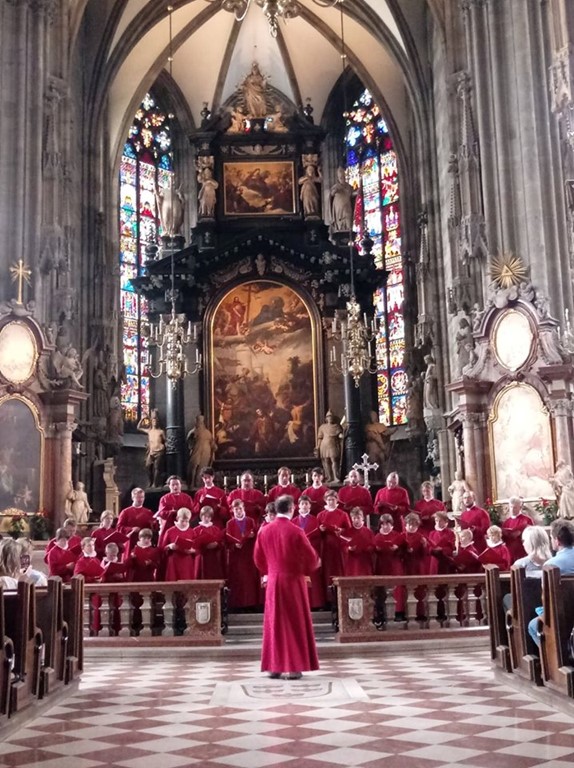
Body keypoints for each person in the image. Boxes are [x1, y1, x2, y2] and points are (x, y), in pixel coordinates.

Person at [254, 494, 320, 680]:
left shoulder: (264, 531)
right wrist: (314, 563)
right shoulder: (296, 531)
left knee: (274, 623)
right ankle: (293, 668)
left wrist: (270, 570)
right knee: (294, 622)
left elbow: (258, 559)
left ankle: (273, 667)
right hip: (293, 581)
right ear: (291, 509)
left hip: (273, 581)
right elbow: (311, 558)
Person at [528, 520, 574, 646]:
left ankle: (556, 655)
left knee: (533, 625)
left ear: (557, 541)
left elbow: (546, 597)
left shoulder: (551, 565)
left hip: (563, 617)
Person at [225, 499, 259, 609]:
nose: (238, 511)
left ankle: (251, 604)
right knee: (238, 579)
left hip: (248, 553)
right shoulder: (230, 523)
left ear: (243, 509)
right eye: (236, 509)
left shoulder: (250, 521)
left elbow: (256, 536)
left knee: (249, 580)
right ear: (232, 511)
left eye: (240, 509)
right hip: (237, 555)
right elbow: (227, 540)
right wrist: (234, 545)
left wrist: (252, 536)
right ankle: (237, 605)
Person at [292, 495, 325, 608]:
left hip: (312, 552)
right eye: (302, 504)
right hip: (298, 554)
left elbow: (320, 537)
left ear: (310, 506)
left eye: (306, 504)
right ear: (298, 506)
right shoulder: (293, 521)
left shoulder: (315, 520)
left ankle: (315, 603)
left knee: (313, 578)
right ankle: (300, 603)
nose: (304, 506)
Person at [317, 490, 351, 595]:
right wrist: (321, 530)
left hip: (339, 547)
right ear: (325, 501)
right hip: (326, 547)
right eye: (329, 500)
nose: (331, 502)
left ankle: (341, 595)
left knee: (339, 570)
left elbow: (349, 530)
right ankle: (328, 597)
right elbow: (317, 532)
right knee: (327, 571)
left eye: (333, 499)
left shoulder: (343, 514)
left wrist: (341, 530)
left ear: (337, 500)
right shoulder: (321, 515)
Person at [117, 487, 156, 559]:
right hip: (130, 541)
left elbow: (153, 528)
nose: (140, 499)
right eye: (138, 497)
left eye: (142, 497)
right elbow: (119, 527)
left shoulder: (148, 512)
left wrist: (153, 524)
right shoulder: (125, 512)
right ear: (132, 498)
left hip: (144, 542)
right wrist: (131, 529)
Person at [156, 476, 194, 548]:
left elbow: (192, 512)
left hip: (184, 526)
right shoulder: (164, 498)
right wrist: (172, 512)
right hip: (169, 525)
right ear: (169, 486)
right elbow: (161, 513)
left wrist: (184, 514)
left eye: (177, 484)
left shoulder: (187, 498)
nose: (175, 487)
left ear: (181, 485)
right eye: (173, 485)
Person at [162, 507, 196, 581]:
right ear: (177, 518)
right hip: (174, 561)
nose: (184, 523)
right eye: (182, 521)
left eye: (186, 521)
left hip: (187, 562)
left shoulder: (192, 532)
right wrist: (170, 546)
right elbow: (163, 548)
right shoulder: (170, 531)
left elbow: (196, 548)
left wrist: (192, 550)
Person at [191, 506, 225, 580]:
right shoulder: (196, 530)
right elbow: (194, 544)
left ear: (211, 518)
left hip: (213, 557)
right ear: (201, 516)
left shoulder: (216, 529)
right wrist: (203, 545)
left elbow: (221, 542)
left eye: (208, 517)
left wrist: (217, 544)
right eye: (204, 516)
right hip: (201, 557)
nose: (206, 518)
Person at [137, 410, 166, 488]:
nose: (155, 423)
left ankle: (155, 483)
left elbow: (165, 440)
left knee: (157, 468)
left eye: (156, 421)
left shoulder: (161, 432)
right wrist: (143, 418)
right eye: (153, 421)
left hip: (159, 451)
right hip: (151, 451)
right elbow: (138, 427)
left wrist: (164, 447)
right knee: (147, 466)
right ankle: (150, 481)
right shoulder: (149, 431)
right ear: (151, 422)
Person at [186, 415, 216, 488]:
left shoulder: (207, 432)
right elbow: (189, 441)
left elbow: (212, 444)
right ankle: (192, 483)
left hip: (206, 452)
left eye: (201, 422)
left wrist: (213, 451)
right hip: (196, 450)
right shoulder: (193, 432)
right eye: (199, 421)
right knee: (193, 465)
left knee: (202, 468)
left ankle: (199, 484)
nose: (200, 423)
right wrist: (191, 443)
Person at [501, 496, 533, 562]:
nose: (512, 509)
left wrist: (521, 534)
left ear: (520, 507)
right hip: (510, 551)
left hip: (522, 551)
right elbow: (503, 539)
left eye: (515, 507)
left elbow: (532, 537)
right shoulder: (506, 522)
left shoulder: (527, 520)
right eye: (511, 507)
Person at [344, 508, 375, 576]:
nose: (356, 520)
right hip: (352, 562)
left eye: (358, 518)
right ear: (351, 519)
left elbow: (373, 546)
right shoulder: (347, 532)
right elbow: (343, 546)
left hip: (365, 561)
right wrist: (349, 548)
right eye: (354, 518)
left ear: (362, 518)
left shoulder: (368, 532)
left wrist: (368, 548)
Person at [316, 412, 343, 483]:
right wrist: (318, 447)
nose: (330, 418)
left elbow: (340, 435)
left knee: (334, 460)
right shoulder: (322, 427)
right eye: (328, 417)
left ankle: (336, 477)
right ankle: (329, 477)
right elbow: (320, 438)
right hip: (324, 445)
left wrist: (341, 435)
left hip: (333, 445)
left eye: (331, 417)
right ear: (326, 418)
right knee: (326, 461)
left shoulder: (336, 426)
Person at [329, 167, 354, 232]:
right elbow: (331, 194)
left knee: (349, 223)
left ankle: (349, 232)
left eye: (343, 177)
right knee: (340, 225)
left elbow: (352, 195)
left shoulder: (349, 187)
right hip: (339, 209)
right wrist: (336, 190)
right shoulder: (336, 186)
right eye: (341, 178)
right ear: (338, 178)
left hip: (347, 208)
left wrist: (358, 192)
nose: (342, 179)